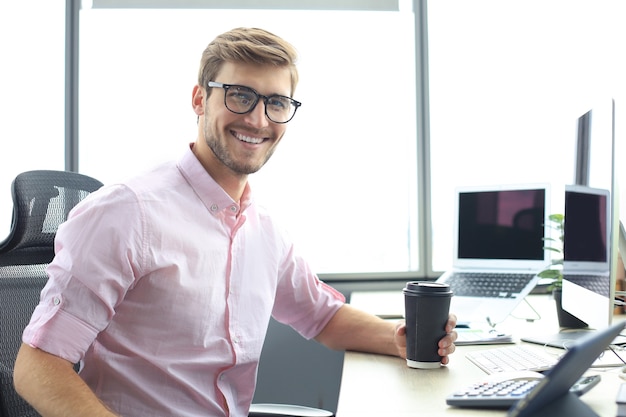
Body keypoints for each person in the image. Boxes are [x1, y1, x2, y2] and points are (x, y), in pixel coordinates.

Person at [13, 27, 458, 417]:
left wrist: (398, 338)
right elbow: (37, 365)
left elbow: (322, 317)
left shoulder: (263, 228)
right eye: (240, 95)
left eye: (276, 102)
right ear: (199, 99)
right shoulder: (127, 213)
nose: (258, 119)